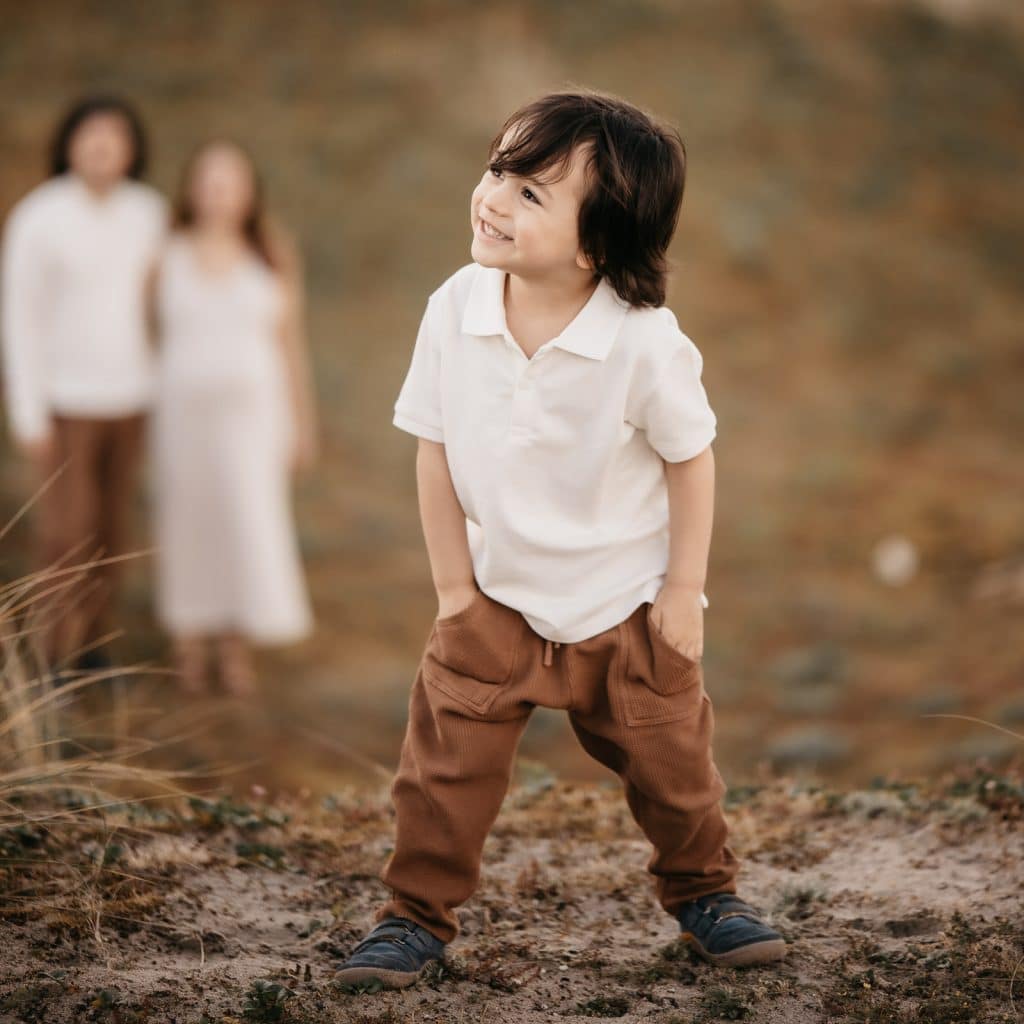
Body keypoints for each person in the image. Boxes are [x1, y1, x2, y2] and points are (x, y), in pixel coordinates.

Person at [334, 90, 787, 991]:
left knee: (674, 767)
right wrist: (456, 592)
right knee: (442, 777)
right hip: (496, 597)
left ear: (597, 245)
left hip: (624, 604)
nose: (494, 196)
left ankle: (706, 892)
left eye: (533, 192)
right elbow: (432, 448)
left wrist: (680, 595)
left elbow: (690, 460)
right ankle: (412, 919)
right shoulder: (456, 306)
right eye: (499, 168)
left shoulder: (643, 343)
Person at [1, 95, 167, 671]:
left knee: (111, 530)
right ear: (69, 143)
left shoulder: (149, 213)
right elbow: (19, 319)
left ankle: (92, 646)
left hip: (134, 400)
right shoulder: (39, 217)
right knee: (63, 534)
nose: (101, 146)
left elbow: (164, 306)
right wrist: (28, 411)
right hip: (65, 404)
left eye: (114, 136)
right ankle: (49, 656)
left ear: (131, 149)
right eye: (89, 135)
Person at [149, 139, 316, 695]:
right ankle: (189, 643)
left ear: (249, 193)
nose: (220, 193)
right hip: (183, 412)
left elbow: (291, 346)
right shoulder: (165, 252)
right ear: (192, 188)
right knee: (188, 517)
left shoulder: (269, 252)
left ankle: (235, 644)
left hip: (253, 415)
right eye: (210, 180)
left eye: (232, 182)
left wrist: (302, 422)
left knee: (246, 516)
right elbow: (144, 329)